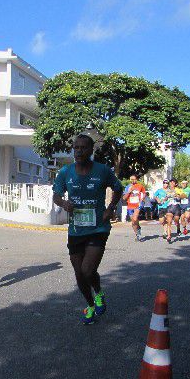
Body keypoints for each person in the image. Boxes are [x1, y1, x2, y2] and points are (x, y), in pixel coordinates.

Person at [53, 134, 122, 324]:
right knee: (79, 273)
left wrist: (110, 208)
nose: (79, 151)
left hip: (98, 228)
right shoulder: (66, 172)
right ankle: (90, 304)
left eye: (83, 148)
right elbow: (56, 195)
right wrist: (64, 203)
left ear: (91, 150)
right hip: (76, 230)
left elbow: (118, 188)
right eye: (76, 148)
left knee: (87, 270)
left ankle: (99, 293)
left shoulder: (102, 171)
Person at [124, 174, 146, 242]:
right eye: (131, 179)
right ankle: (137, 232)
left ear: (136, 179)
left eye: (134, 179)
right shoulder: (127, 187)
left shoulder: (140, 186)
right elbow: (124, 198)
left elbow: (144, 193)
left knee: (135, 218)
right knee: (133, 222)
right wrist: (129, 191)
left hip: (137, 205)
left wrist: (142, 198)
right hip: (130, 206)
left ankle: (138, 233)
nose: (133, 181)